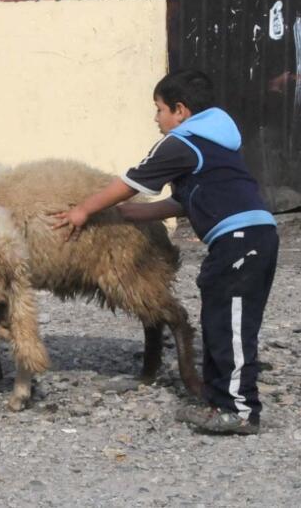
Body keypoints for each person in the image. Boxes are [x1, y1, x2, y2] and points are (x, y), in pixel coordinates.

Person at [52, 69, 278, 436]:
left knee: (232, 324)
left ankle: (239, 411)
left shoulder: (180, 142)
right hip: (249, 237)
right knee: (220, 320)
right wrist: (133, 213)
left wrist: (83, 210)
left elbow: (130, 182)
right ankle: (219, 402)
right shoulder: (216, 142)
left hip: (241, 239)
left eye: (158, 109)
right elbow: (186, 200)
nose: (156, 118)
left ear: (180, 110)